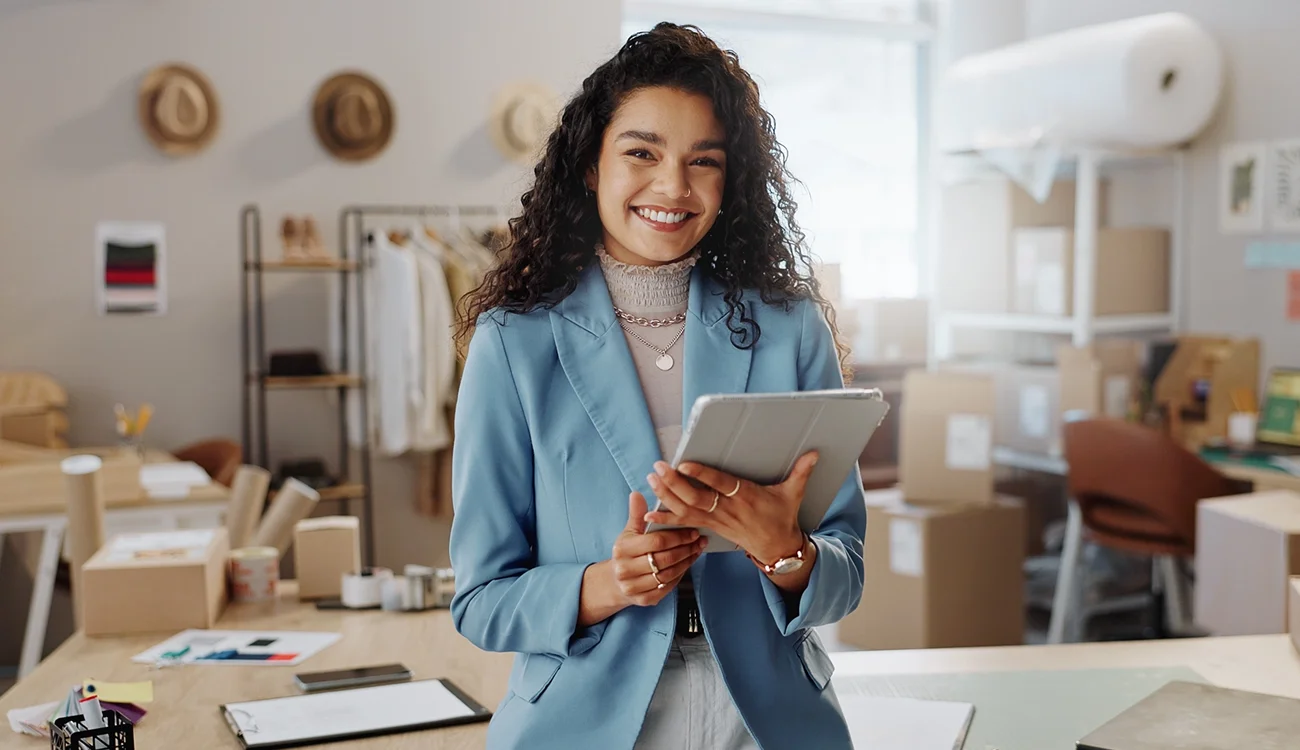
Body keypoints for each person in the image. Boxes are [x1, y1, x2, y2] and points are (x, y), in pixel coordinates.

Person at [449, 22, 866, 750]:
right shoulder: (513, 344)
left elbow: (848, 569)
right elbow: (481, 601)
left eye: (703, 161)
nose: (673, 187)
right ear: (590, 164)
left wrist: (786, 553)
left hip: (766, 720)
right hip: (583, 719)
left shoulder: (792, 327)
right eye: (641, 152)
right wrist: (605, 584)